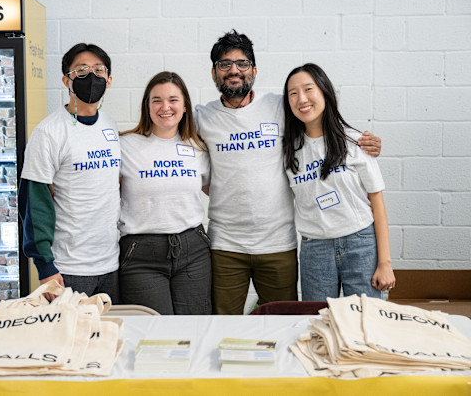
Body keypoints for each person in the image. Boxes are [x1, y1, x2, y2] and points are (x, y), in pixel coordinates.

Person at [194, 30, 382, 314]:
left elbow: (318, 121)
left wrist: (364, 141)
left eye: (242, 63)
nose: (234, 70)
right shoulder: (201, 117)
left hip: (278, 243)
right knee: (224, 321)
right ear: (214, 73)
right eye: (225, 64)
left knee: (282, 322)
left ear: (253, 70)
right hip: (226, 244)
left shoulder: (279, 106)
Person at [283, 63, 395, 300]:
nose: (301, 99)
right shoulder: (288, 152)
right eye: (293, 93)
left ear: (325, 92)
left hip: (360, 243)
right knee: (319, 323)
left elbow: (377, 203)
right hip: (315, 249)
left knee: (365, 322)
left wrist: (385, 263)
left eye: (308, 89)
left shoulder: (356, 142)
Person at [19, 43, 121, 302]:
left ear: (109, 80)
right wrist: (45, 266)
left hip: (111, 264)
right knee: (71, 340)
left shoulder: (109, 125)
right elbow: (34, 202)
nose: (92, 76)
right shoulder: (49, 132)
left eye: (99, 70)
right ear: (66, 80)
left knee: (108, 339)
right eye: (82, 71)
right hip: (68, 269)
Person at [118, 71, 212, 315]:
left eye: (173, 100)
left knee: (195, 329)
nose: (165, 107)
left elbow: (217, 191)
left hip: (193, 249)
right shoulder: (124, 146)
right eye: (156, 100)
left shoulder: (199, 147)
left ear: (184, 106)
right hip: (141, 254)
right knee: (153, 332)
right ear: (146, 106)